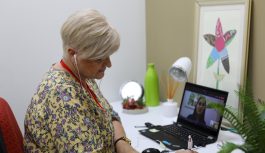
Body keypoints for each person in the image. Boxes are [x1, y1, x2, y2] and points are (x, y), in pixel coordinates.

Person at [23, 8, 199, 153]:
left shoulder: (82, 76)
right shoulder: (61, 95)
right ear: (72, 54)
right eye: (100, 58)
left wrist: (121, 143)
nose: (109, 64)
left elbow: (110, 115)